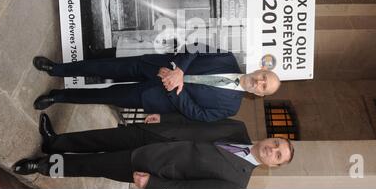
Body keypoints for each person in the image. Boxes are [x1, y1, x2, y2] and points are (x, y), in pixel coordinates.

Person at [13, 113, 294, 189]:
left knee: (93, 165)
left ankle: (44, 166)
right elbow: (195, 121)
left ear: (274, 165)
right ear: (272, 137)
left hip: (152, 167)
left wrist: (154, 185)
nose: (273, 149)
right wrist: (163, 118)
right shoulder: (238, 128)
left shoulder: (237, 184)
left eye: (277, 155)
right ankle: (55, 142)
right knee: (99, 139)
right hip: (153, 134)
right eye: (277, 143)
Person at [32, 47, 281, 122]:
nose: (259, 82)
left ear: (258, 95)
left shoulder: (231, 108)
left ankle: (57, 97)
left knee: (104, 94)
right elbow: (194, 50)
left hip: (154, 98)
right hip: (156, 66)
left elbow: (197, 114)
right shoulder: (228, 58)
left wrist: (175, 87)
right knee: (103, 67)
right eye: (263, 77)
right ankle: (57, 68)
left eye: (263, 87)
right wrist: (180, 70)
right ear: (261, 69)